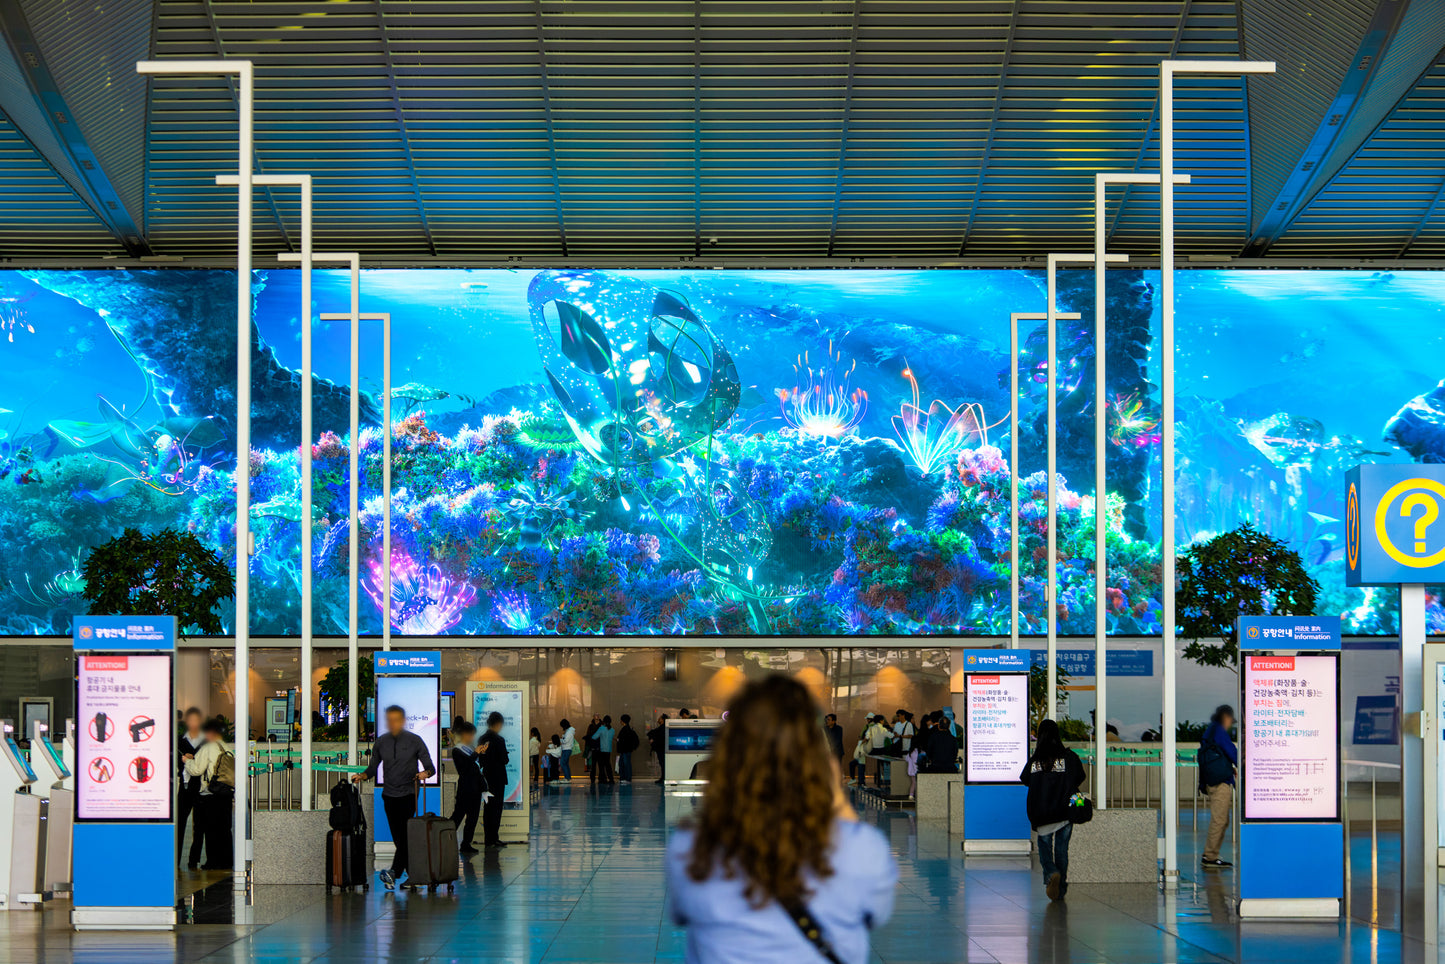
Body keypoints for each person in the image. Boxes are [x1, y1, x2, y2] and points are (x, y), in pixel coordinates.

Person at [666, 677, 897, 964]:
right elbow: (876, 913)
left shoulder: (691, 846)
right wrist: (837, 801)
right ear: (817, 760)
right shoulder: (864, 849)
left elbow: (682, 913)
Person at [353, 704, 436, 889]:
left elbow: (431, 767)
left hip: (409, 793)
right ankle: (413, 877)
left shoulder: (415, 740)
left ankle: (394, 872)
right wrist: (362, 776)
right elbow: (373, 768)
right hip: (389, 795)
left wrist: (425, 773)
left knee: (405, 837)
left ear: (404, 721)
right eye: (389, 720)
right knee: (400, 839)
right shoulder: (381, 742)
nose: (393, 723)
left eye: (396, 719)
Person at [1019, 719, 1086, 901]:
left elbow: (1025, 779)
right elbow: (1080, 776)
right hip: (1065, 811)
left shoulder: (1035, 760)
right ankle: (1060, 888)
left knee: (1045, 848)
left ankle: (1051, 873)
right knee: (1062, 850)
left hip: (1042, 813)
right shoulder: (1069, 757)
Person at [183, 718, 233, 870]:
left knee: (211, 830)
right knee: (224, 829)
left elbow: (196, 770)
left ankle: (213, 862)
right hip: (226, 793)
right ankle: (226, 860)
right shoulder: (226, 747)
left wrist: (186, 760)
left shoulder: (208, 747)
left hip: (211, 794)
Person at [1198, 704, 1238, 868]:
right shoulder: (1219, 731)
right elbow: (1231, 751)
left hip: (1212, 779)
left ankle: (1212, 855)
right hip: (1220, 781)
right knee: (1220, 820)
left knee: (1222, 820)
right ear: (1226, 717)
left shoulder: (1211, 731)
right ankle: (1210, 856)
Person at [448, 720, 483, 855]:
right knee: (458, 816)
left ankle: (466, 843)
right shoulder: (457, 750)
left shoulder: (470, 748)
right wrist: (475, 754)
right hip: (465, 789)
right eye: (470, 735)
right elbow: (464, 768)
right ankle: (446, 839)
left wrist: (480, 754)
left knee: (472, 819)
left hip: (475, 788)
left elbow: (476, 766)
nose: (472, 737)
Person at [177, 707, 206, 869]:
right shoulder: (180, 740)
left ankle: (193, 860)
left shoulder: (206, 741)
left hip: (200, 787)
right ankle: (176, 859)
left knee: (199, 826)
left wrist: (193, 758)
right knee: (180, 823)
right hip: (185, 786)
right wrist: (182, 760)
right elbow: (173, 761)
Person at [477, 711, 510, 848]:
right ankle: (494, 838)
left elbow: (481, 758)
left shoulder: (482, 739)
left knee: (488, 807)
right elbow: (505, 759)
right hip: (498, 778)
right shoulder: (499, 740)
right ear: (498, 724)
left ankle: (488, 838)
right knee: (497, 808)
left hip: (486, 778)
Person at [616, 714, 639, 783]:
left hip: (624, 750)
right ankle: (626, 778)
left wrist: (618, 740)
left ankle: (625, 778)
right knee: (625, 764)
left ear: (623, 721)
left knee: (625, 764)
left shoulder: (624, 730)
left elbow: (622, 740)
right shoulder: (629, 729)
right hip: (627, 750)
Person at [593, 715, 616, 784]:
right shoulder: (612, 730)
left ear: (604, 721)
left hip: (602, 749)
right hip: (608, 750)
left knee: (601, 765)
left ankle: (603, 779)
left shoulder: (601, 728)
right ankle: (611, 779)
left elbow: (594, 737)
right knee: (608, 765)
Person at [649, 714, 669, 784]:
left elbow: (657, 736)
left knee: (662, 763)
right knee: (662, 763)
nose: (658, 719)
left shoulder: (662, 729)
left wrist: (653, 740)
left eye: (660, 718)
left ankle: (663, 777)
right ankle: (663, 777)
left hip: (661, 749)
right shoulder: (662, 728)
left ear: (663, 720)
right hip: (661, 748)